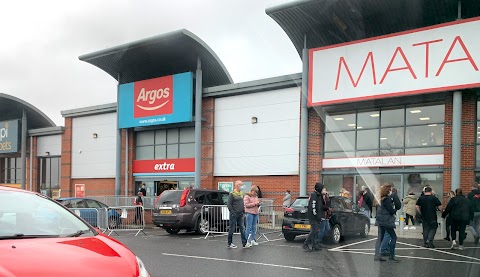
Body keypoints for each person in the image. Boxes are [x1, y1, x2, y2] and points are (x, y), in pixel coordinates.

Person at [374, 183, 400, 262]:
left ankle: (377, 255)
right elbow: (391, 210)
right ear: (388, 190)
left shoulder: (379, 199)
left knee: (380, 238)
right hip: (387, 221)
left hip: (380, 221)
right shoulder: (387, 200)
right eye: (390, 189)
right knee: (393, 237)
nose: (391, 191)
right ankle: (392, 255)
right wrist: (394, 210)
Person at [303, 182, 328, 252]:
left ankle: (314, 245)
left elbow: (320, 206)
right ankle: (306, 243)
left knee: (316, 231)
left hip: (317, 216)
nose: (323, 190)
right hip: (313, 216)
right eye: (322, 188)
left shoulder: (319, 195)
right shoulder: (314, 195)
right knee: (314, 231)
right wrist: (316, 215)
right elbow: (313, 206)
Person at [227, 180, 248, 249]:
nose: (242, 186)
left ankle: (244, 243)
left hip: (240, 214)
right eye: (241, 185)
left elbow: (242, 204)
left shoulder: (241, 193)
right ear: (237, 186)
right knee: (232, 229)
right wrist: (233, 212)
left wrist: (244, 212)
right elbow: (229, 204)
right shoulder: (232, 194)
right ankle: (230, 243)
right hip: (234, 214)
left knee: (242, 228)